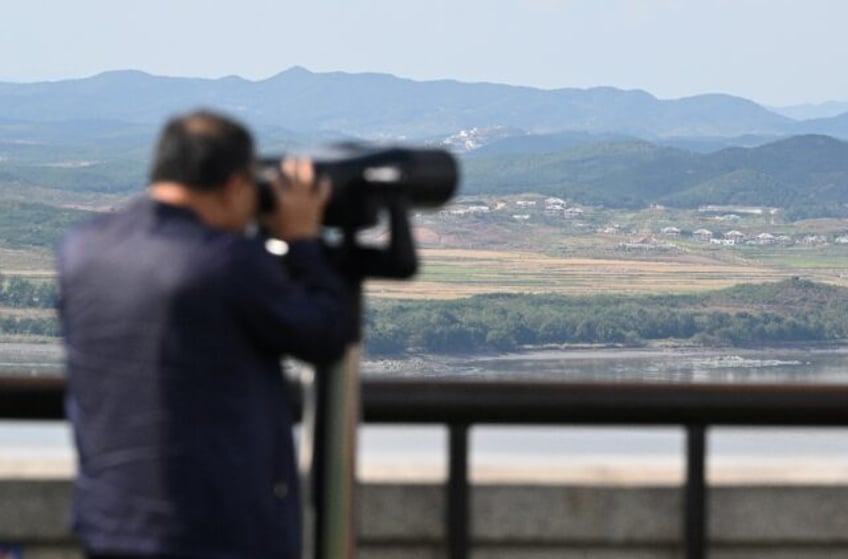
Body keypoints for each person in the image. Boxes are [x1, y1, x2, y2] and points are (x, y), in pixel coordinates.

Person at [57, 110, 352, 559]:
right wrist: (302, 242)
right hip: (216, 531)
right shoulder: (225, 262)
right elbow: (326, 333)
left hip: (110, 523)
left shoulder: (82, 248)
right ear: (235, 185)